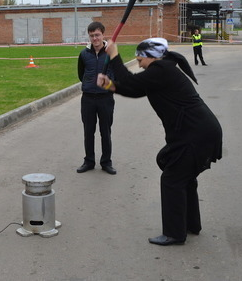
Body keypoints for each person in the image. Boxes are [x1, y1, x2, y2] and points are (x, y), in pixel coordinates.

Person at [97, 37, 222, 245]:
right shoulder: (162, 71)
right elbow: (136, 89)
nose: (138, 64)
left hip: (195, 134)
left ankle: (174, 233)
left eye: (140, 60)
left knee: (172, 179)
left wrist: (114, 55)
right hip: (198, 132)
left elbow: (131, 81)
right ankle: (191, 225)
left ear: (150, 56)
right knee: (184, 178)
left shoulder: (162, 70)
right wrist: (111, 86)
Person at [76, 21, 117, 175]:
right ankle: (89, 161)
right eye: (92, 35)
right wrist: (89, 84)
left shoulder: (110, 53)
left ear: (103, 35)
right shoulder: (84, 54)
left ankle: (106, 162)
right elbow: (81, 74)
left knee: (105, 131)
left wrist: (108, 83)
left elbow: (117, 73)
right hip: (88, 98)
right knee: (88, 131)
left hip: (105, 98)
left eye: (97, 35)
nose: (95, 38)